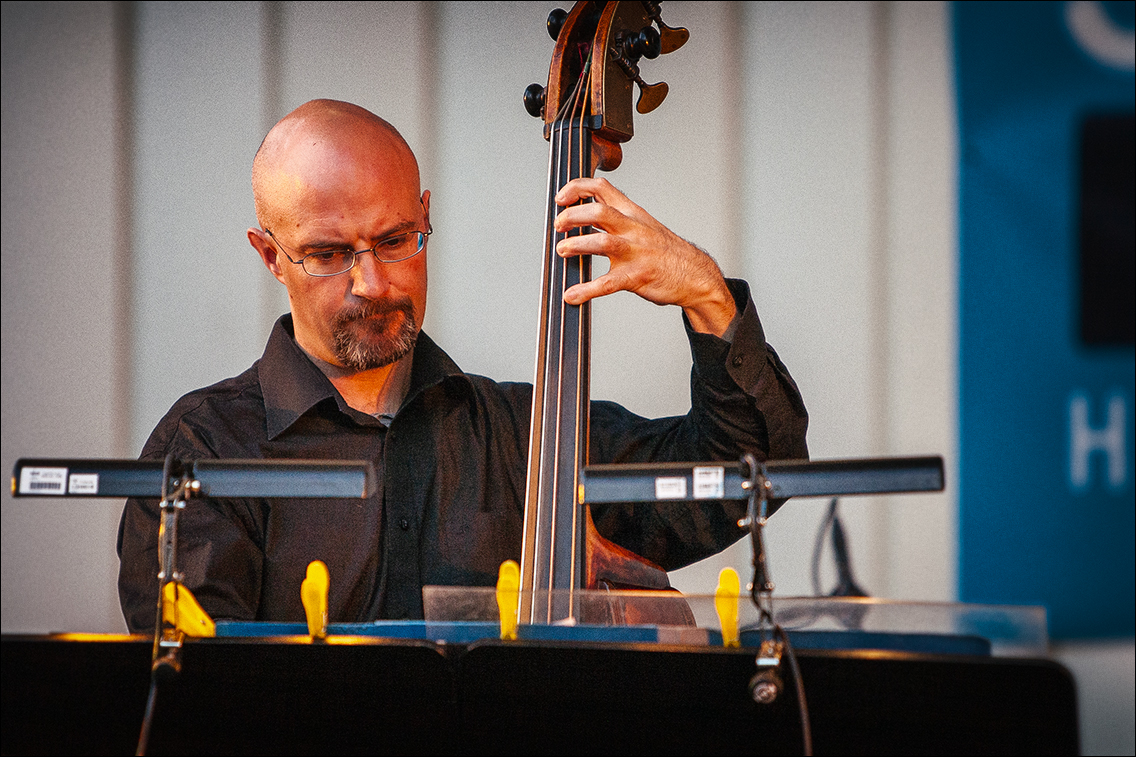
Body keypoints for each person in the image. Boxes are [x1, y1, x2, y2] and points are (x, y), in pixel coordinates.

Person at [116, 99, 808, 632]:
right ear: (271, 255)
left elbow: (746, 473)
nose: (373, 282)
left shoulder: (524, 436)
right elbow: (201, 695)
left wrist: (705, 294)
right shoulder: (206, 450)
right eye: (328, 254)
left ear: (425, 216)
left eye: (396, 240)